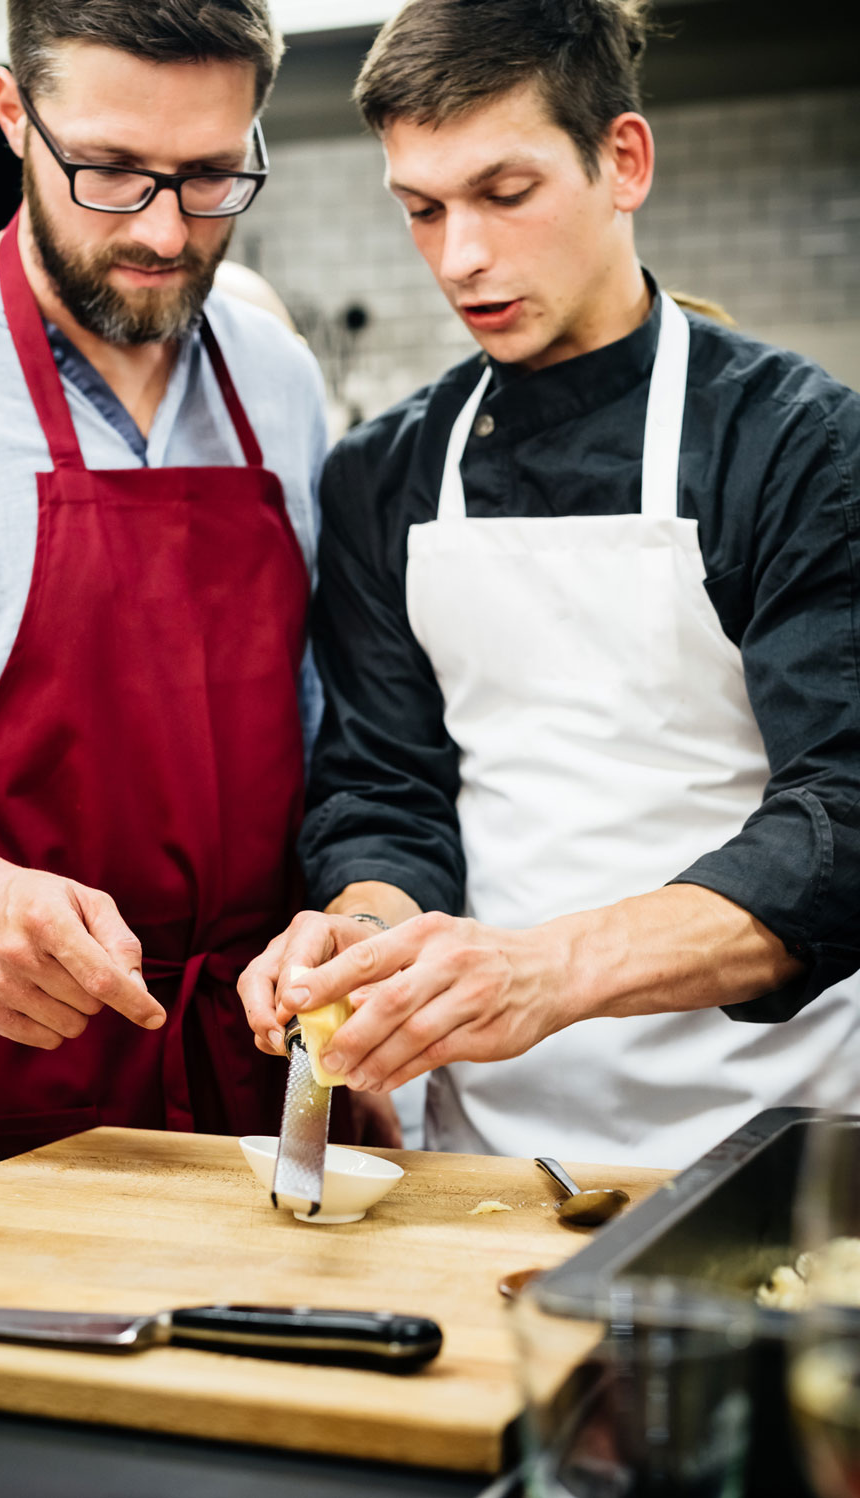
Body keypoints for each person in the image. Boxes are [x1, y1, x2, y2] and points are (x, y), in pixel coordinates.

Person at [238, 0, 860, 1168]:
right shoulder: (387, 476)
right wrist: (363, 941)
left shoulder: (797, 445)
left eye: (503, 193)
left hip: (770, 1140)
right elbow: (388, 791)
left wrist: (551, 967)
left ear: (622, 160)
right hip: (487, 1147)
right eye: (421, 208)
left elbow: (844, 812)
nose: (459, 257)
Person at [0, 0, 336, 1159]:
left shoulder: (276, 378)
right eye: (113, 172)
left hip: (258, 1093)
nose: (168, 234)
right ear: (12, 112)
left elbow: (328, 748)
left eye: (212, 175)